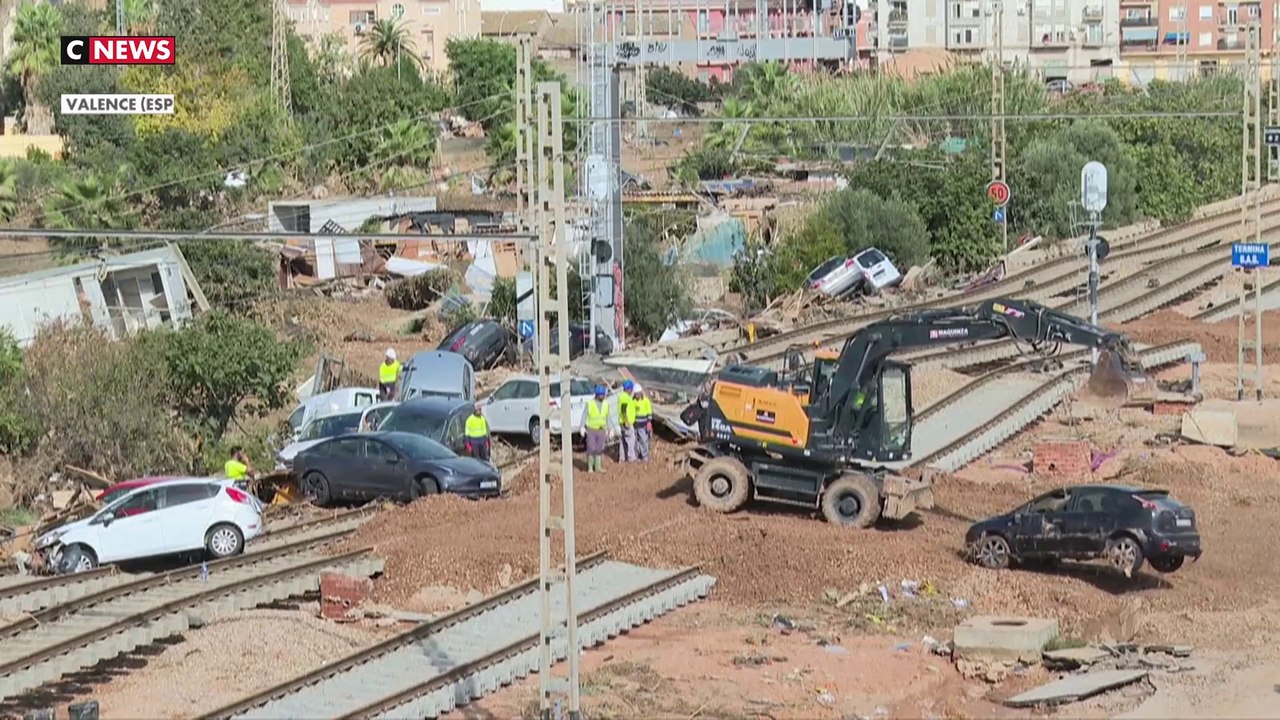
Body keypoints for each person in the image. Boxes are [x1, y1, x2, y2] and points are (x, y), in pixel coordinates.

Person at [580, 384, 610, 473]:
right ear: (596, 394)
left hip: (602, 429)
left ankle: (598, 467)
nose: (602, 396)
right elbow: (584, 415)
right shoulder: (590, 404)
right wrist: (582, 426)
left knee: (599, 448)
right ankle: (590, 467)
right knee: (591, 448)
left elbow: (608, 417)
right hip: (591, 429)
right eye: (600, 394)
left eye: (603, 395)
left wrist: (609, 428)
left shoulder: (606, 404)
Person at [632, 384, 653, 462]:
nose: (636, 395)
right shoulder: (633, 401)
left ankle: (644, 456)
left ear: (640, 393)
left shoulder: (645, 401)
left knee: (643, 440)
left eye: (637, 394)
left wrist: (649, 422)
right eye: (635, 394)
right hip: (635, 424)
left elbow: (649, 412)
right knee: (635, 441)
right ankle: (637, 455)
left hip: (643, 424)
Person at [616, 380, 635, 462]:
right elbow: (624, 409)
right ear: (628, 389)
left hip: (622, 422)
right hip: (626, 422)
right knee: (631, 439)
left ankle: (622, 458)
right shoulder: (625, 397)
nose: (632, 391)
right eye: (631, 389)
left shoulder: (623, 396)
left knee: (623, 440)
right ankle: (631, 457)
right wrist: (626, 421)